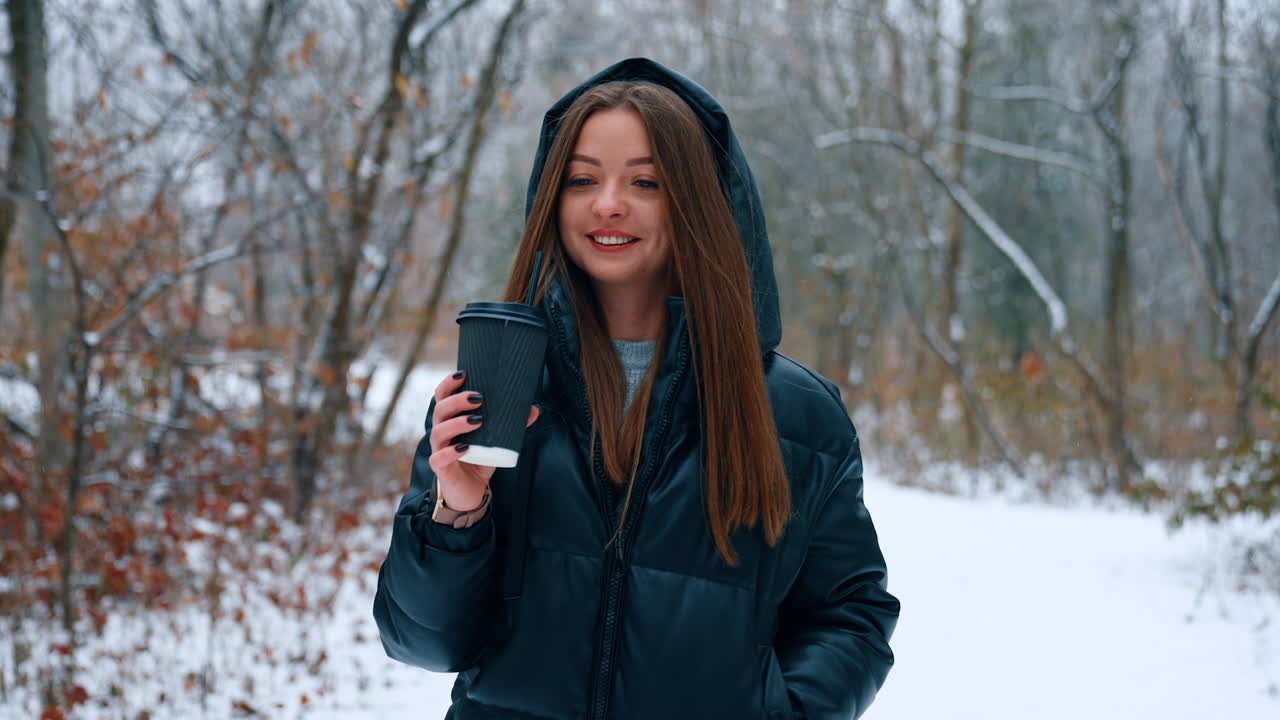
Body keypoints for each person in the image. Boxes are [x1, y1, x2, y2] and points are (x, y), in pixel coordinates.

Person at [373, 58, 898, 720]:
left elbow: (850, 614)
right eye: (581, 179)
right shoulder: (498, 388)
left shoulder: (794, 415)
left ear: (698, 202)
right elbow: (421, 641)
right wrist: (457, 512)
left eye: (645, 181)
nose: (608, 203)